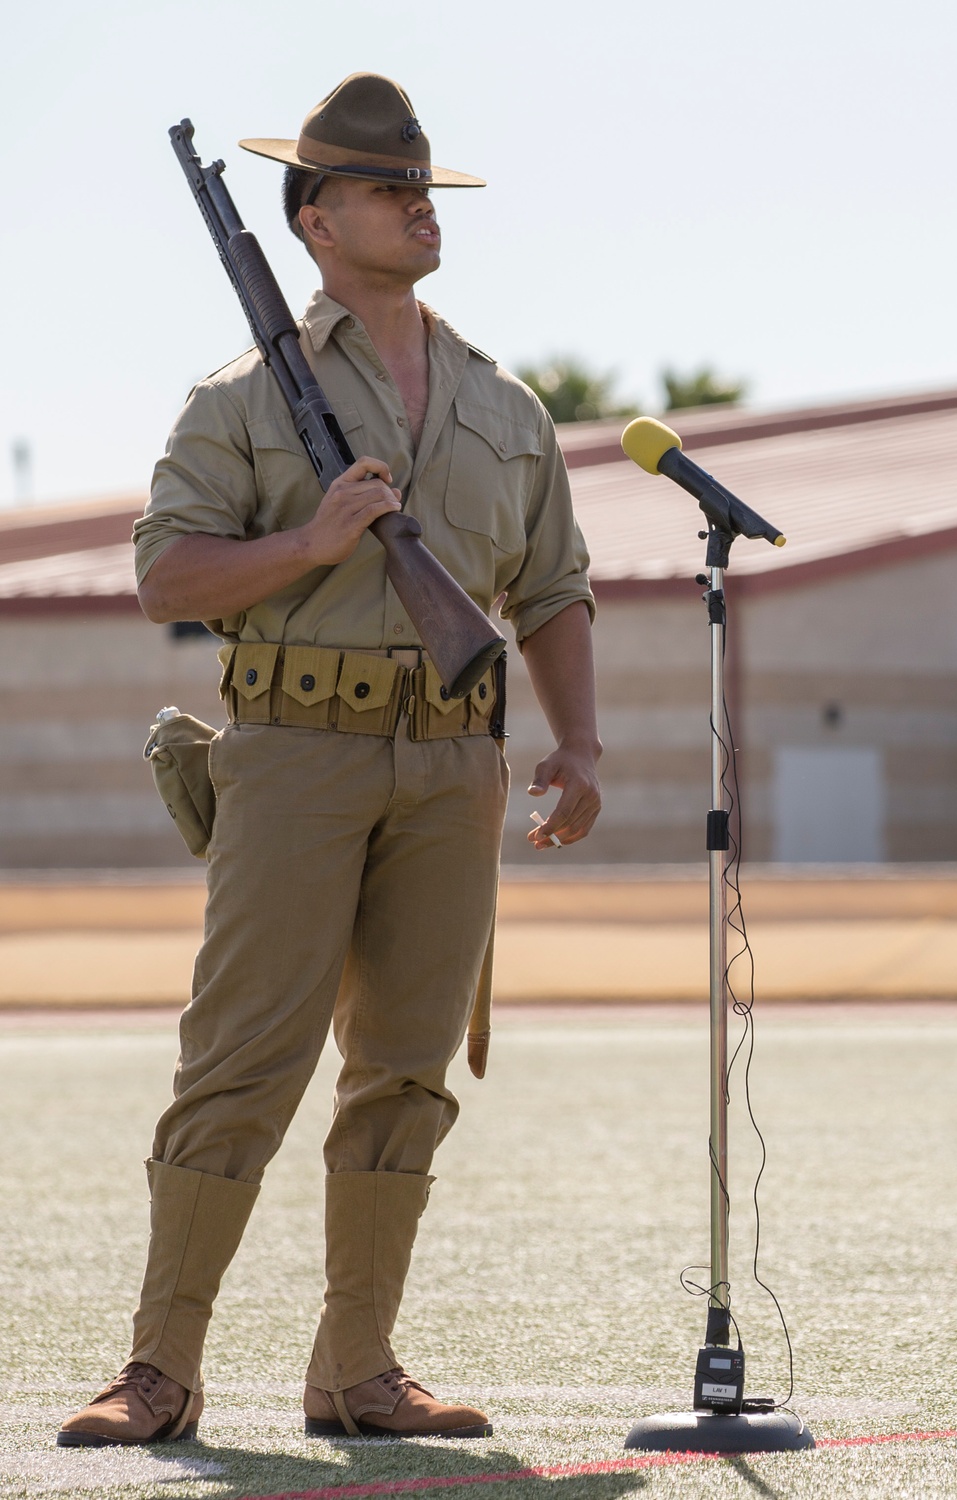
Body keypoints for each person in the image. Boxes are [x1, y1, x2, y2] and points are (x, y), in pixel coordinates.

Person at [59, 72, 601, 1448]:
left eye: (425, 189)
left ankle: (358, 1369)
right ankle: (160, 1372)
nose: (421, 210)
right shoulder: (241, 397)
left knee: (408, 1065)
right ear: (312, 219)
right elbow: (164, 571)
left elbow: (553, 591)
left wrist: (579, 742)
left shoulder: (504, 404)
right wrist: (308, 543)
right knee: (240, 1060)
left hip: (450, 767)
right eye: (387, 190)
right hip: (294, 751)